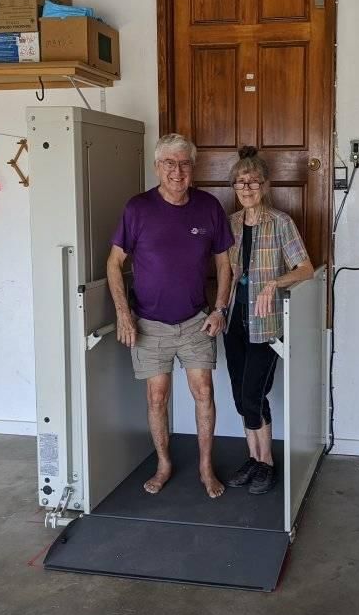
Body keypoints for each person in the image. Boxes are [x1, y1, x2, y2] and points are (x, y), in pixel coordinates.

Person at [107, 133, 234, 499]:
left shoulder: (209, 207)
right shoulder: (138, 208)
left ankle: (205, 466)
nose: (177, 171)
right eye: (169, 163)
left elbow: (225, 263)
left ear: (193, 168)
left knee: (204, 392)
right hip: (149, 324)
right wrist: (124, 315)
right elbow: (114, 264)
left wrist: (220, 309)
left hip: (196, 321)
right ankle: (164, 464)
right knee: (156, 398)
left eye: (184, 164)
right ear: (157, 167)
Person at [223, 146, 314, 495]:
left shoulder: (280, 223)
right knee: (239, 395)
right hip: (235, 321)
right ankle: (253, 457)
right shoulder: (230, 224)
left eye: (254, 182)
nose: (247, 188)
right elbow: (227, 274)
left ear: (265, 185)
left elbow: (304, 269)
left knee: (253, 394)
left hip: (267, 324)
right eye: (240, 182)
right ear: (234, 186)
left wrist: (273, 283)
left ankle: (267, 463)